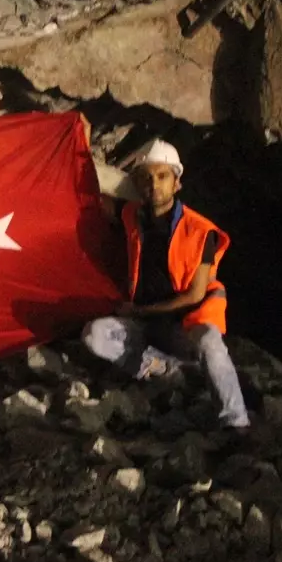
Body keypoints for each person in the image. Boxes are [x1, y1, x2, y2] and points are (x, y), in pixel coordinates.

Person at [82, 138, 251, 430]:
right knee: (94, 335)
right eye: (146, 178)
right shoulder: (132, 215)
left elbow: (196, 293)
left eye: (162, 176)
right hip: (146, 327)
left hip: (184, 326)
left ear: (177, 183)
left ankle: (236, 422)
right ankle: (163, 368)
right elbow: (93, 191)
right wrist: (79, 144)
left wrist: (140, 312)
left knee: (211, 343)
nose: (154, 184)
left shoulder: (200, 231)